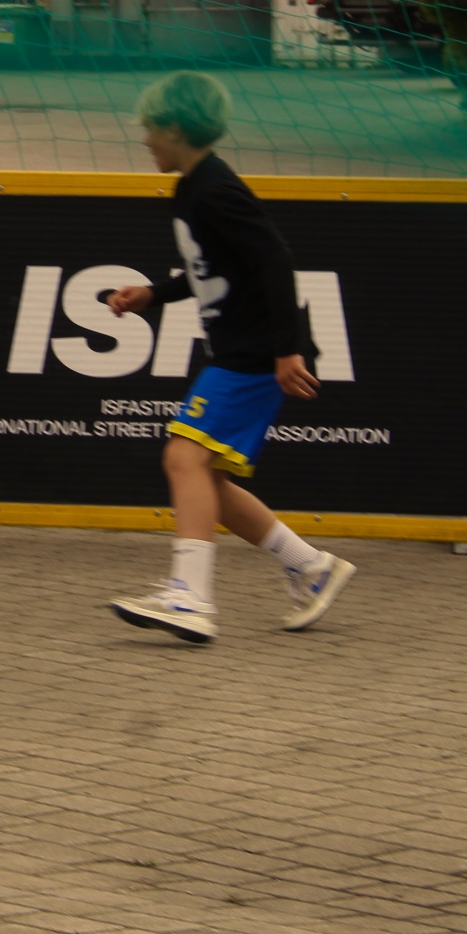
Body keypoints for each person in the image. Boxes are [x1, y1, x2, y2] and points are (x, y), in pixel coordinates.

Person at [103, 71, 356, 645]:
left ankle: (189, 598)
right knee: (207, 481)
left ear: (175, 128)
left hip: (253, 354)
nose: (145, 139)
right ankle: (311, 568)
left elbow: (274, 259)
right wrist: (153, 294)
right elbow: (212, 269)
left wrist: (286, 349)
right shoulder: (191, 189)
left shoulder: (216, 189)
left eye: (150, 128)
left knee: (182, 457)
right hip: (241, 351)